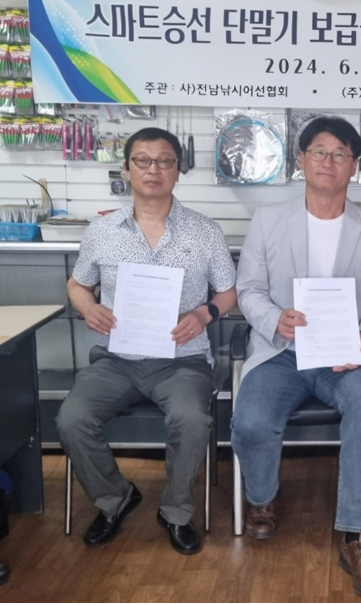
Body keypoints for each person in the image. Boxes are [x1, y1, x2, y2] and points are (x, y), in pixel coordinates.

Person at [233, 117, 361, 601]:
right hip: (281, 351)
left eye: (340, 153)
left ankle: (358, 536)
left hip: (345, 356)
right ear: (301, 159)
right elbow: (248, 290)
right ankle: (262, 497)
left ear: (355, 165)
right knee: (251, 419)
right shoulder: (268, 221)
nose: (329, 161)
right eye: (319, 152)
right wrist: (274, 319)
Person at [58, 127, 237, 555]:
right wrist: (88, 307)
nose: (153, 169)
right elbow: (78, 284)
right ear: (126, 168)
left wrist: (204, 313)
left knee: (191, 420)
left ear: (178, 170)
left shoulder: (205, 231)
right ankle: (115, 498)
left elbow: (229, 292)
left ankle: (175, 512)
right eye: (143, 160)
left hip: (182, 361)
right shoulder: (102, 230)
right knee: (71, 419)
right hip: (117, 359)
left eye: (165, 161)